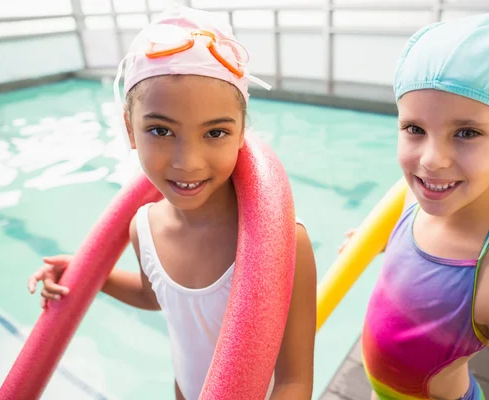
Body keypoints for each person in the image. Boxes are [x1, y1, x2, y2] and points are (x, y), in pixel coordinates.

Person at [28, 6, 317, 400]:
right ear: (130, 129)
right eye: (161, 130)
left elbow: (294, 381)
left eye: (215, 132)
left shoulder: (283, 244)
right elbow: (157, 297)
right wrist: (86, 276)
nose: (188, 162)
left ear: (241, 134)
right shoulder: (143, 227)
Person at [340, 13, 489, 400]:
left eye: (466, 133)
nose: (432, 160)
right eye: (415, 129)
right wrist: (383, 243)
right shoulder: (414, 198)